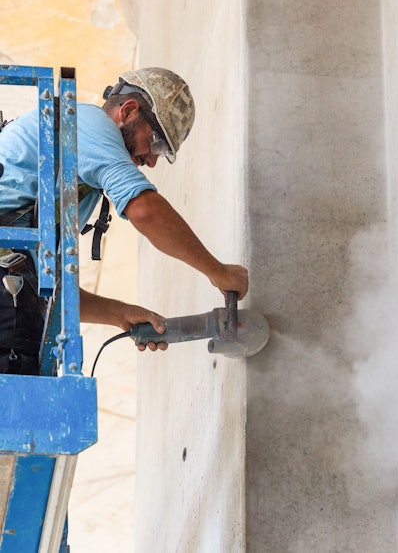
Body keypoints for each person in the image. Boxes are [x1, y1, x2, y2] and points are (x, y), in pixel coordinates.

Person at [0, 67, 248, 375]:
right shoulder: (87, 123)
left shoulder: (70, 170)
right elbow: (145, 210)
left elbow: (50, 288)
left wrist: (120, 314)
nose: (152, 160)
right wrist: (218, 272)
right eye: (156, 142)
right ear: (129, 111)